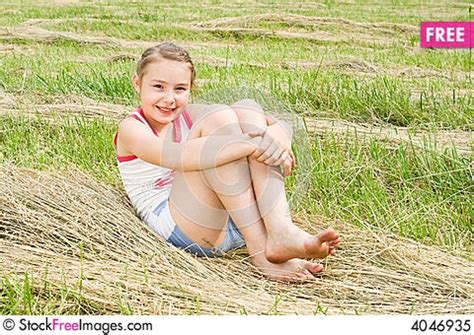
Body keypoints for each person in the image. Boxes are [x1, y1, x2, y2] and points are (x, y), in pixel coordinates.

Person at [114, 42, 340, 282]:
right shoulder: (131, 129)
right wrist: (252, 144)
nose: (169, 99)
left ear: (191, 89)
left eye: (180, 89)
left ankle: (279, 229)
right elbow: (179, 155)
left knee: (247, 107)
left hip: (235, 222)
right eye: (158, 87)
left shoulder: (187, 114)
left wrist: (280, 135)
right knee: (220, 124)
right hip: (185, 226)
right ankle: (261, 252)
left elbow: (276, 122)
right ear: (137, 83)